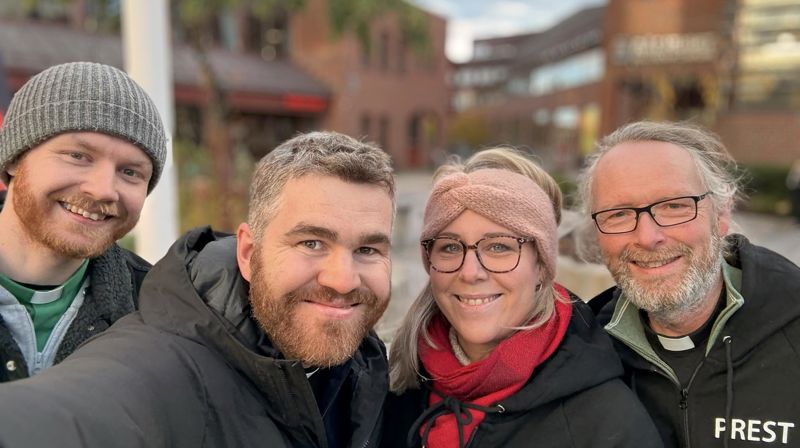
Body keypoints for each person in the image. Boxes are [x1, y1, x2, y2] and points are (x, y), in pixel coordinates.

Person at [0, 131, 395, 447]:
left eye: (367, 249)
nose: (344, 279)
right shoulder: (162, 361)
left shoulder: (374, 371)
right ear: (248, 252)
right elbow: (71, 413)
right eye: (311, 243)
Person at [382, 148, 662, 448]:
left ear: (541, 266)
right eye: (449, 247)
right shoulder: (394, 387)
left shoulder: (608, 424)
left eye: (499, 247)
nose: (470, 272)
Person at [579, 121, 800, 447]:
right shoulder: (584, 357)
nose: (648, 237)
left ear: (721, 214)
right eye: (619, 214)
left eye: (674, 206)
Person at [0, 61, 166, 381]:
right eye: (78, 156)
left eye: (130, 172)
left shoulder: (158, 315)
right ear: (14, 160)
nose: (104, 190)